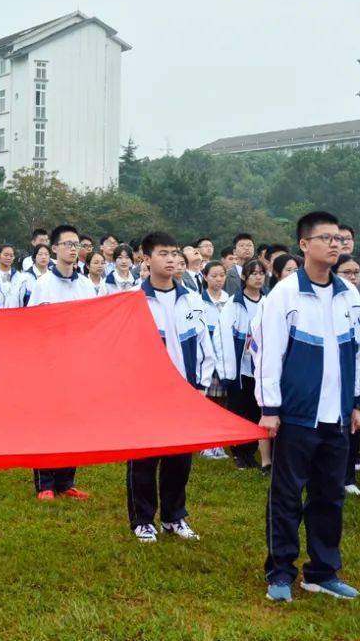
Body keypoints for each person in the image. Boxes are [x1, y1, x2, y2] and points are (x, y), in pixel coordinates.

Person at [254, 211, 360, 603]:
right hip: (297, 415)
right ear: (304, 245)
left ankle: (321, 571)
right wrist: (270, 408)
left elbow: (359, 351)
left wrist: (356, 402)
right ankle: (281, 571)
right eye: (326, 238)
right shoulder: (285, 294)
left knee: (329, 495)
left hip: (336, 416)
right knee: (286, 495)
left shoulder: (348, 295)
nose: (335, 245)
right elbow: (267, 354)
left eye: (339, 239)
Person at [128, 231, 215, 543]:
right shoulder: (133, 300)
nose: (171, 259)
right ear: (146, 258)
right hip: (146, 394)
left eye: (174, 253)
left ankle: (174, 516)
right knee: (144, 458)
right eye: (163, 253)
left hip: (186, 392)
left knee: (180, 458)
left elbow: (206, 346)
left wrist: (201, 387)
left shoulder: (191, 299)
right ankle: (142, 519)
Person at [27, 225, 96, 500]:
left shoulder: (84, 285)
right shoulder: (43, 284)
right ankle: (45, 483)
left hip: (77, 361)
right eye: (67, 244)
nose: (72, 248)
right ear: (54, 248)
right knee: (47, 420)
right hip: (49, 362)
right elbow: (33, 323)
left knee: (73, 420)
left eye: (76, 244)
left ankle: (66, 481)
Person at [221, 260, 271, 472]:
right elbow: (224, 336)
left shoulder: (268, 301)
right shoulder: (234, 303)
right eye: (253, 274)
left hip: (259, 367)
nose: (258, 277)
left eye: (261, 273)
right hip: (240, 367)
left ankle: (250, 451)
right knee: (238, 409)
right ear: (244, 277)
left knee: (254, 410)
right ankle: (239, 452)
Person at [331, 254, 360, 495]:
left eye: (356, 272)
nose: (353, 277)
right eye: (347, 272)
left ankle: (347, 477)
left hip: (348, 377)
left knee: (350, 429)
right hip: (323, 378)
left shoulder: (359, 302)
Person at [199, 260, 230, 460]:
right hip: (208, 358)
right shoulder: (199, 301)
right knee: (208, 401)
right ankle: (206, 443)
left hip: (225, 357)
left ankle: (219, 443)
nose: (218, 280)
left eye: (221, 275)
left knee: (223, 402)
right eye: (214, 276)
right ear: (205, 277)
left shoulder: (230, 300)